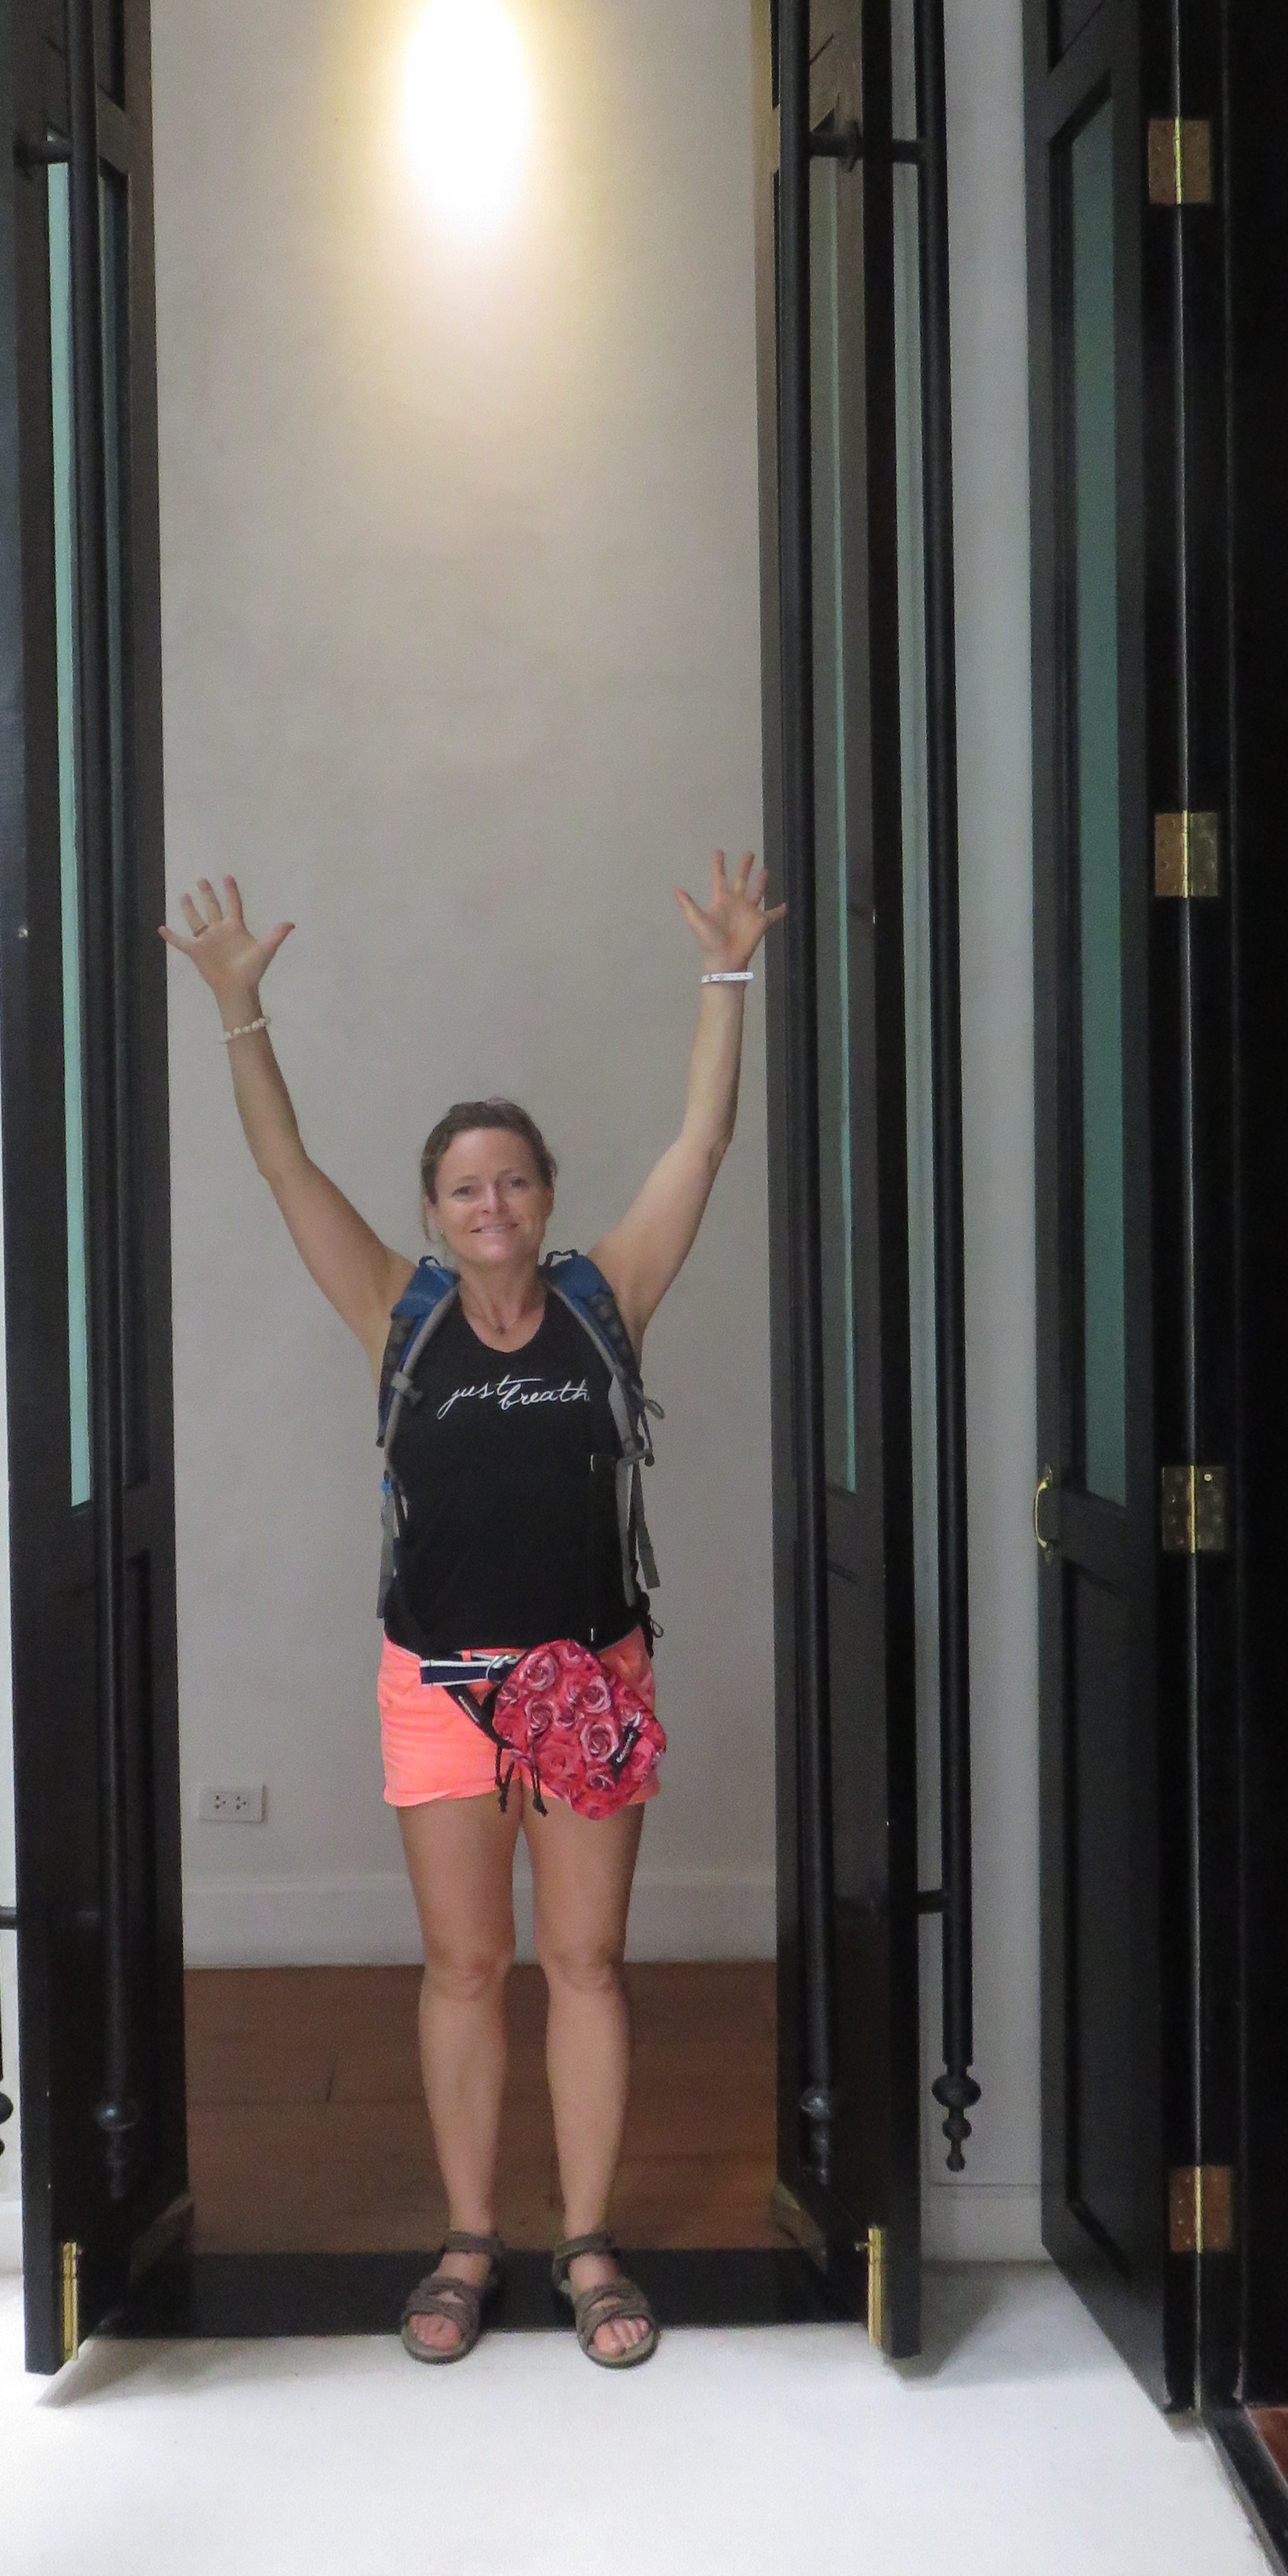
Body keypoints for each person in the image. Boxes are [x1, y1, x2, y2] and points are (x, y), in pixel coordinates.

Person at [162, 855, 783, 2369]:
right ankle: (466, 2241)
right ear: (433, 1212)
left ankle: (588, 2244)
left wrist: (728, 977)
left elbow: (703, 1142)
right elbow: (285, 1167)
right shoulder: (400, 1312)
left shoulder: (607, 1297)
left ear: (545, 1196)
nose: (490, 1202)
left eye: (512, 1179)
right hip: (440, 1688)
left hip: (592, 1680)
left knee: (587, 1965)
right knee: (462, 1969)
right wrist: (240, 1008)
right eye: (463, 1186)